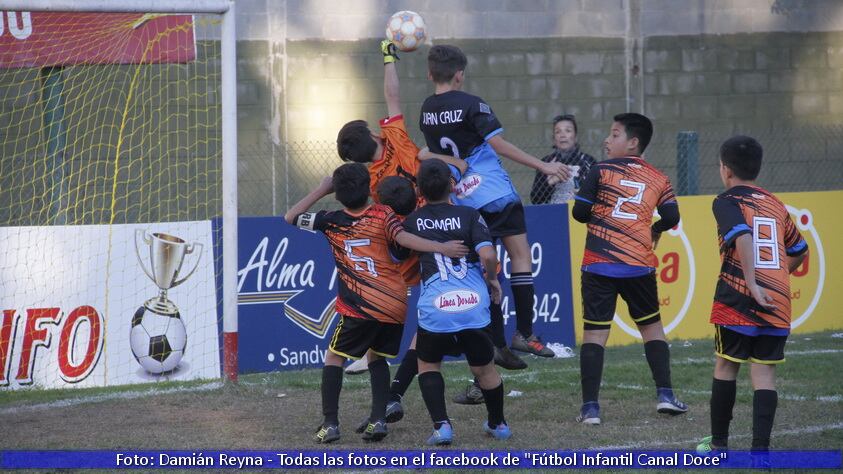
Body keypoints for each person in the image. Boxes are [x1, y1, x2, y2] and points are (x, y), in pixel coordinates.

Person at [284, 162, 468, 444]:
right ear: (370, 190)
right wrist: (441, 247)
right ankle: (378, 420)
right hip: (395, 303)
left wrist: (321, 189)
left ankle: (330, 423)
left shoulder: (329, 220)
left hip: (359, 306)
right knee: (377, 357)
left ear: (338, 194)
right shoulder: (384, 214)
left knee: (334, 357)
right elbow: (404, 237)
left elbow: (290, 216)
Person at [419, 44, 568, 364]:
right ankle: (524, 334)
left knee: (481, 272)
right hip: (495, 192)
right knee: (520, 255)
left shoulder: (426, 110)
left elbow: (441, 154)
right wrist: (543, 166)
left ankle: (492, 347)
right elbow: (498, 145)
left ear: (430, 73)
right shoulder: (473, 104)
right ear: (460, 74)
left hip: (463, 200)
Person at [338, 40, 467, 378]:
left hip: (411, 234)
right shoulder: (397, 140)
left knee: (385, 285)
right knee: (452, 290)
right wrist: (387, 57)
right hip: (444, 221)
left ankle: (371, 352)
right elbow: (392, 96)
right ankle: (471, 342)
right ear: (374, 135)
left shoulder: (370, 181)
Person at [571, 112, 688, 425]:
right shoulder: (658, 177)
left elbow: (580, 214)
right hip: (638, 266)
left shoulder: (599, 170)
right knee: (651, 328)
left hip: (599, 264)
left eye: (614, 134)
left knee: (595, 334)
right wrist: (656, 229)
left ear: (633, 142)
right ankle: (665, 394)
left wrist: (598, 212)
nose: (607, 140)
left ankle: (591, 409)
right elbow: (673, 217)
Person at [696, 136, 808, 456]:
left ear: (726, 170)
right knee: (764, 373)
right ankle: (760, 453)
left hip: (739, 296)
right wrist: (776, 278)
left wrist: (753, 282)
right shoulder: (775, 204)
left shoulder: (726, 200)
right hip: (778, 299)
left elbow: (742, 235)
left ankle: (719, 444)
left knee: (726, 366)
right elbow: (800, 250)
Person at [403, 158, 511, 445]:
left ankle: (442, 427)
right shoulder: (469, 214)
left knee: (428, 366)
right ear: (452, 185)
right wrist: (492, 279)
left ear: (419, 190)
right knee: (484, 368)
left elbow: (400, 254)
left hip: (436, 309)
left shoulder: (411, 222)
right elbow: (488, 256)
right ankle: (498, 424)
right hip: (473, 306)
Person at [530, 114, 597, 204]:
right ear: (554, 139)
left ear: (575, 137)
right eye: (558, 132)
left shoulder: (588, 161)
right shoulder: (546, 162)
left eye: (568, 131)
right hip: (553, 213)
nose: (562, 135)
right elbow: (535, 200)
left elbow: (598, 194)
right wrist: (549, 183)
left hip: (580, 213)